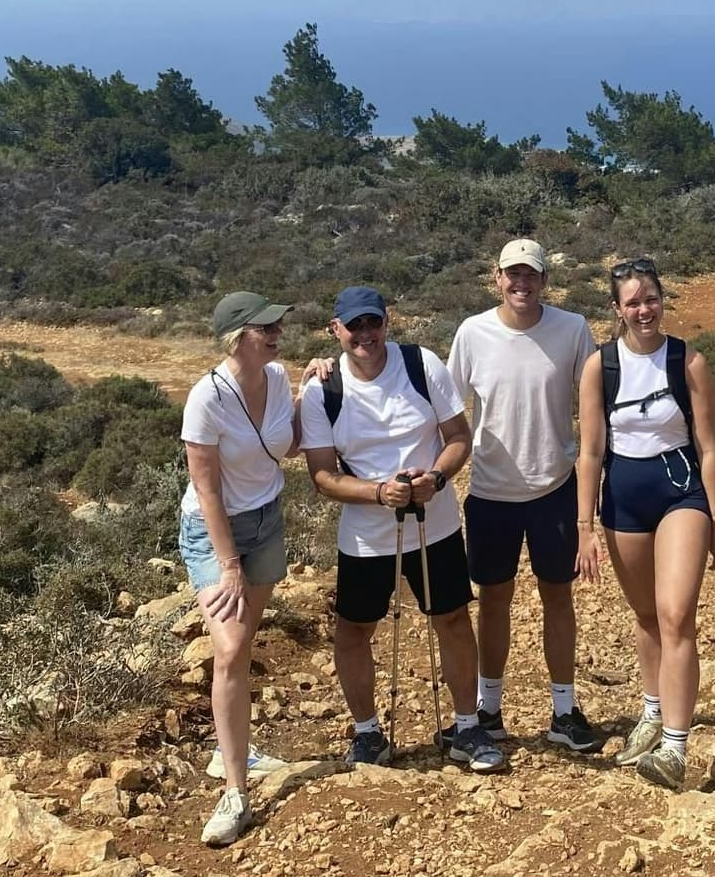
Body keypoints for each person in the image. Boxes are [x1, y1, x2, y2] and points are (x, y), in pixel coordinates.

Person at [301, 286, 504, 773]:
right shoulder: (321, 391)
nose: (365, 334)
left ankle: (466, 725)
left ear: (386, 322)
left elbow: (458, 436)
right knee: (354, 630)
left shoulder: (420, 365)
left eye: (373, 323)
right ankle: (368, 734)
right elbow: (323, 476)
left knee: (452, 619)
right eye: (355, 326)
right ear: (336, 330)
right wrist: (377, 492)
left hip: (433, 525)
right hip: (365, 537)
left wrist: (434, 478)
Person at [448, 239, 606, 753]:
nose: (522, 284)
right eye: (512, 275)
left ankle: (564, 711)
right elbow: (444, 406)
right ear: (496, 277)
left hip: (554, 489)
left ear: (543, 280)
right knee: (494, 600)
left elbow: (596, 404)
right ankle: (488, 710)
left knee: (556, 597)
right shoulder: (473, 332)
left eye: (531, 275)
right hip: (491, 492)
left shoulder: (572, 329)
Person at [575, 257, 715, 790]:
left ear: (663, 300)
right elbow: (590, 451)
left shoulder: (688, 362)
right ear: (617, 310)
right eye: (633, 302)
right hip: (623, 499)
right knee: (645, 615)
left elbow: (709, 447)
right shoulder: (601, 366)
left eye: (651, 299)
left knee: (675, 612)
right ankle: (651, 710)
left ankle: (675, 747)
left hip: (680, 492)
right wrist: (584, 526)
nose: (644, 310)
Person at [178, 291, 299, 846]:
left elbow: (288, 445)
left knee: (244, 642)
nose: (276, 332)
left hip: (265, 521)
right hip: (215, 531)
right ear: (236, 336)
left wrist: (315, 383)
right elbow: (206, 489)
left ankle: (235, 749)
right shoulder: (206, 398)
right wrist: (227, 565)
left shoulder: (277, 379)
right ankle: (235, 789)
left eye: (277, 324)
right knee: (227, 649)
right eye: (264, 326)